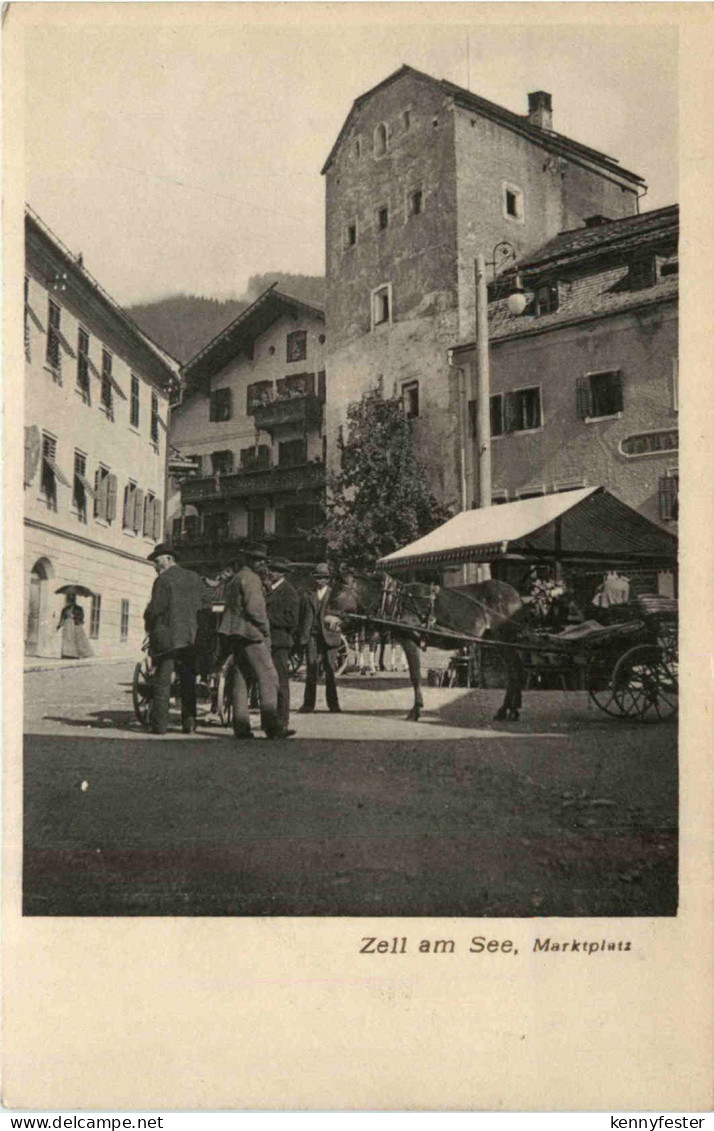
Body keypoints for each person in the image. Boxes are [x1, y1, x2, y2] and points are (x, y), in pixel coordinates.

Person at [218, 542, 290, 740]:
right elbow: (255, 610)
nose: (262, 564)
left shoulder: (235, 578)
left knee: (241, 680)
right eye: (259, 560)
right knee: (268, 677)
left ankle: (241, 727)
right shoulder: (251, 579)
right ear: (251, 560)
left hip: (234, 634)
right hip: (251, 634)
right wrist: (265, 630)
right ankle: (272, 727)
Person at [144, 543, 204, 734]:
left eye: (157, 560)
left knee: (162, 683)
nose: (155, 565)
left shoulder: (163, 580)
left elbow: (156, 609)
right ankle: (189, 724)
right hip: (189, 639)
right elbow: (204, 605)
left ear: (169, 558)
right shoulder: (194, 578)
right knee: (188, 682)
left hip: (167, 640)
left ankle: (160, 726)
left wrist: (147, 617)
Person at [298, 562, 342, 714]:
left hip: (330, 636)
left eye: (323, 578)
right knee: (311, 668)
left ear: (328, 579)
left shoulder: (335, 595)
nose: (319, 580)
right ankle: (308, 704)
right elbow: (302, 616)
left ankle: (333, 705)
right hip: (312, 635)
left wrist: (338, 622)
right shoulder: (307, 594)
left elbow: (344, 615)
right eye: (317, 577)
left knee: (330, 670)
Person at [265, 558, 300, 732]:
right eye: (270, 569)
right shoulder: (269, 589)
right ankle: (272, 719)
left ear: (282, 573)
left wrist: (266, 619)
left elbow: (291, 620)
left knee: (281, 682)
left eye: (274, 570)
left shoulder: (289, 592)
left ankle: (283, 721)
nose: (270, 572)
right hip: (269, 641)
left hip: (280, 642)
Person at [57, 594, 93, 659]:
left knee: (76, 639)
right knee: (67, 639)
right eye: (69, 599)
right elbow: (62, 618)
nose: (71, 601)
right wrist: (59, 625)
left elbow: (81, 617)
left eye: (72, 599)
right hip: (67, 625)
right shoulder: (65, 609)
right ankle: (66, 654)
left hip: (75, 624)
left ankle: (75, 655)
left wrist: (74, 617)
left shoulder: (79, 608)